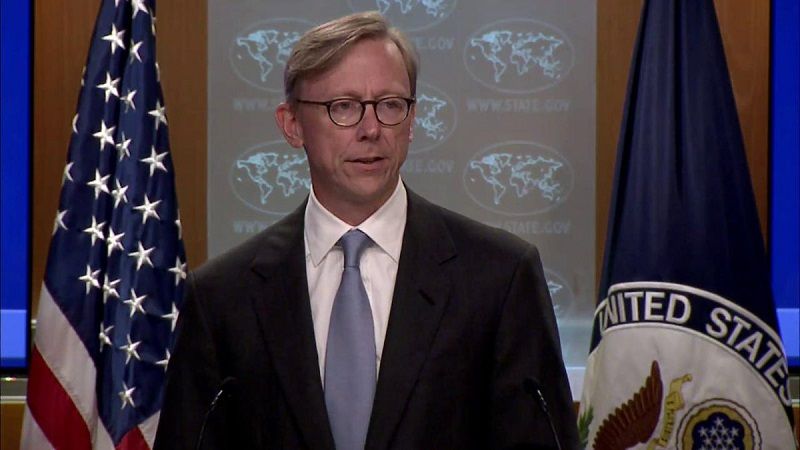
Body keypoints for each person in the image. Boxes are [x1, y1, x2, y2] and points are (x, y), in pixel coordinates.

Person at [154, 11, 579, 450]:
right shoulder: (223, 298)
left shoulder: (499, 278)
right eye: (344, 107)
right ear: (292, 124)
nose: (372, 129)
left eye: (390, 105)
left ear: (412, 120)